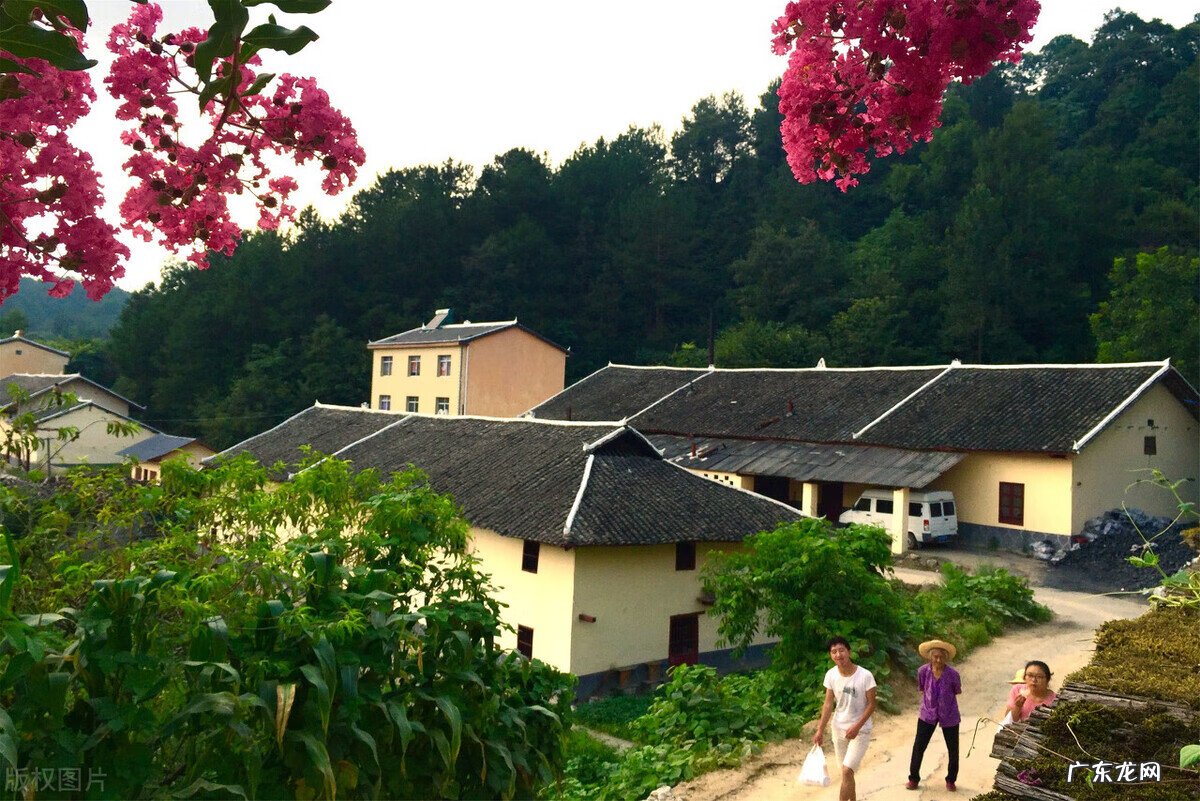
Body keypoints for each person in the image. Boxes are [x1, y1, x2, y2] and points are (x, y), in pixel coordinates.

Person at [813, 636, 877, 801]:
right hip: (839, 729)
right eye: (834, 652)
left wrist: (857, 727)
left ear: (849, 652)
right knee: (846, 773)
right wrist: (820, 730)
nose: (838, 655)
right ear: (830, 655)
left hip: (860, 730)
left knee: (847, 770)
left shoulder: (865, 676)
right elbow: (828, 705)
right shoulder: (831, 675)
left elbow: (871, 705)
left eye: (841, 650)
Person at [906, 639, 961, 792]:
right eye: (935, 656)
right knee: (919, 746)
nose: (938, 660)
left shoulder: (953, 674)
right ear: (930, 657)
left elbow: (957, 690)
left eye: (941, 657)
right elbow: (922, 688)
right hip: (927, 712)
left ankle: (951, 780)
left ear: (946, 658)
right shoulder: (923, 671)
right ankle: (913, 778)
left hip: (949, 713)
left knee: (953, 749)